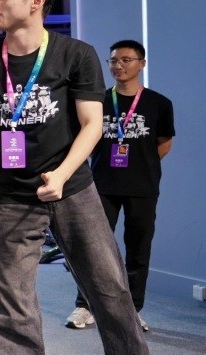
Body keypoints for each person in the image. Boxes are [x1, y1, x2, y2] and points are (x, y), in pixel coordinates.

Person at [0, 0, 191, 355]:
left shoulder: (75, 55)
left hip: (74, 191)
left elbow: (92, 125)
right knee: (12, 301)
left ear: (36, 1)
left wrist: (62, 174)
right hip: (12, 198)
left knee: (111, 292)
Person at [65, 40, 173, 332]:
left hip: (143, 187)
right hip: (101, 185)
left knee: (138, 250)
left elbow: (164, 144)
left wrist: (140, 164)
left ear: (142, 64)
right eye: (113, 60)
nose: (118, 66)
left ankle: (132, 310)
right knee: (92, 248)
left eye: (126, 60)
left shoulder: (159, 103)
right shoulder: (98, 101)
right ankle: (85, 305)